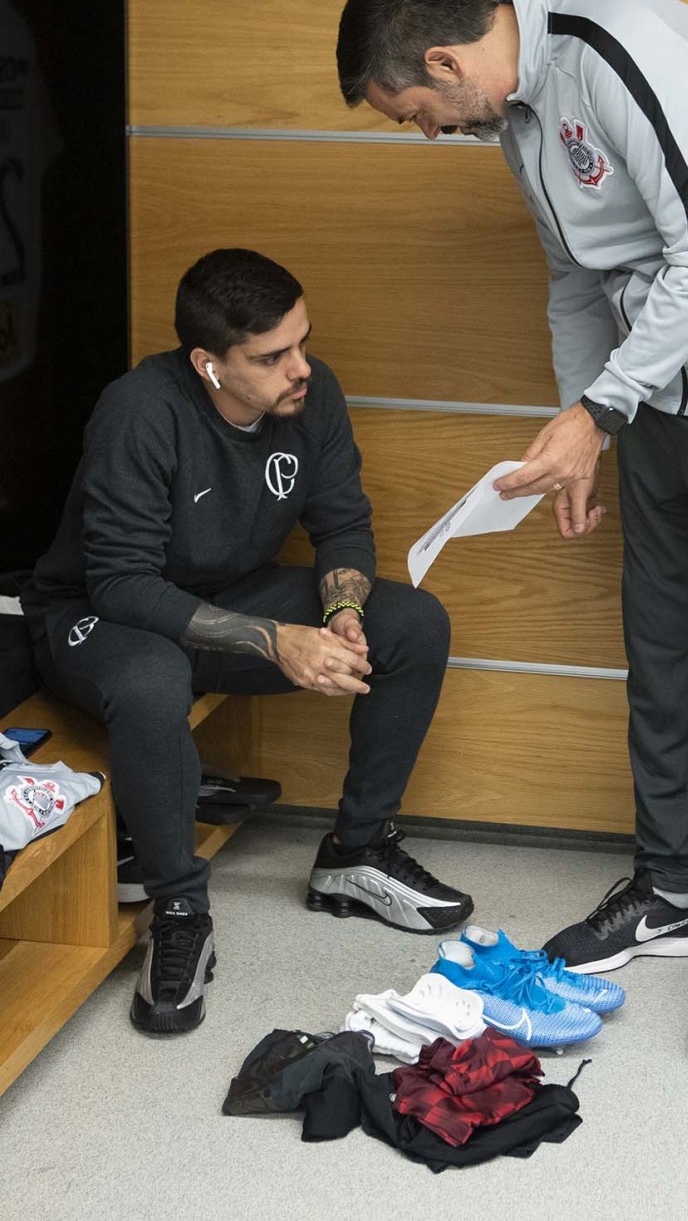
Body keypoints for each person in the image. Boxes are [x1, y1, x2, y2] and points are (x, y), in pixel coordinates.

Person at [336, 0, 688, 1062]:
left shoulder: (622, 53)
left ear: (442, 65)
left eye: (414, 116)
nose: (428, 134)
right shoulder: (515, 112)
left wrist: (600, 408)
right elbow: (574, 277)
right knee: (663, 638)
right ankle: (670, 890)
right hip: (656, 384)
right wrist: (585, 426)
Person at [21, 247, 473, 1036]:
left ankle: (355, 853)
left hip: (226, 591)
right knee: (153, 681)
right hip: (100, 610)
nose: (300, 367)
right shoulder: (139, 410)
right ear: (209, 364)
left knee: (414, 622)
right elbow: (121, 580)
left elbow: (341, 520)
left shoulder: (312, 391)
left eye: (302, 341)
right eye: (271, 357)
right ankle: (179, 909)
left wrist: (343, 612)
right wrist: (276, 640)